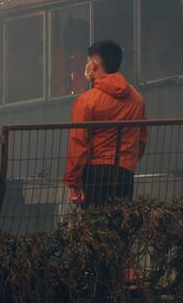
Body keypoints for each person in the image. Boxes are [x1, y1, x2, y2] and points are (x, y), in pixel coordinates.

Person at [63, 40, 147, 207]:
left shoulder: (86, 101)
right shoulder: (137, 100)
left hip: (95, 173)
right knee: (120, 220)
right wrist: (128, 162)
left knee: (95, 220)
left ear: (94, 64)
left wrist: (73, 181)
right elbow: (141, 138)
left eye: (88, 61)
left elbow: (78, 143)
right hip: (125, 173)